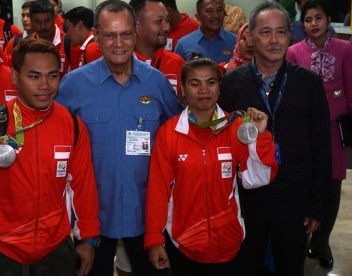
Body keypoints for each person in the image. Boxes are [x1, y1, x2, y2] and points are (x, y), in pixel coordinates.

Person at [0, 38, 100, 276]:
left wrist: (88, 239)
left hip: (56, 247)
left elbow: (82, 187)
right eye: (34, 76)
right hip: (2, 249)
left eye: (52, 76)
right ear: (15, 77)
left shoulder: (73, 125)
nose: (45, 85)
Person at [57, 1, 180, 275]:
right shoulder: (73, 86)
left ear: (136, 33)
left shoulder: (157, 83)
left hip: (147, 216)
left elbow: (179, 137)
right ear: (96, 35)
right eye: (110, 35)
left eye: (125, 34)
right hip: (93, 218)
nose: (118, 43)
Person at [218, 2, 331, 275]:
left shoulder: (309, 83)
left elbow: (321, 145)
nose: (274, 40)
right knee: (246, 264)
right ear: (250, 37)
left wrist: (318, 205)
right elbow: (221, 143)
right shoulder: (232, 83)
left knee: (290, 265)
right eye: (265, 32)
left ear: (289, 37)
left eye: (281, 32)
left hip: (294, 194)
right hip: (247, 196)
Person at [145, 55, 278, 276]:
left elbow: (258, 179)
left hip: (228, 244)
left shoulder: (236, 127)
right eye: (194, 83)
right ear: (183, 90)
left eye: (211, 82)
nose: (203, 90)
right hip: (183, 245)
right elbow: (158, 192)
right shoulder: (169, 133)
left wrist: (259, 136)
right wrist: (153, 239)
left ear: (219, 88)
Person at [286, 0, 352, 269]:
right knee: (306, 181)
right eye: (308, 19)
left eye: (319, 18)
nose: (313, 24)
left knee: (332, 184)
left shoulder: (345, 49)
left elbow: (350, 86)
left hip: (335, 127)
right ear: (302, 24)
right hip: (304, 128)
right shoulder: (293, 52)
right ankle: (302, 238)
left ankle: (322, 241)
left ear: (328, 20)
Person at [130, 0, 185, 97]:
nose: (167, 27)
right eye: (159, 21)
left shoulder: (176, 63)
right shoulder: (120, 64)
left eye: (167, 20)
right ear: (137, 26)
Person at [5, 0, 67, 77]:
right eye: (38, 22)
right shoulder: (23, 45)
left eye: (47, 21)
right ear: (31, 21)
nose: (43, 26)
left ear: (54, 19)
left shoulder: (68, 42)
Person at [63, 6, 101, 70]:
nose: (66, 34)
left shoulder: (92, 47)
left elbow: (96, 78)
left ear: (79, 25)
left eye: (67, 28)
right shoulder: (89, 46)